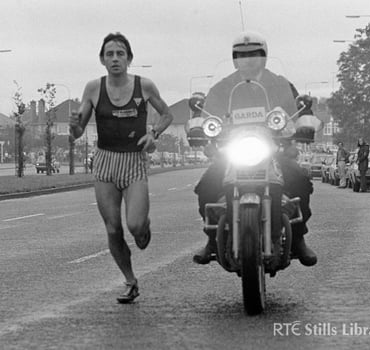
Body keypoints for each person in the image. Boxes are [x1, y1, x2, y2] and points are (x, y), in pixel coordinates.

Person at [192, 31, 317, 267]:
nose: (247, 60)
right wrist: (203, 135)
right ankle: (211, 238)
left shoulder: (280, 84)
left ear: (264, 57)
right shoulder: (222, 87)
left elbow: (300, 111)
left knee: (300, 180)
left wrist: (303, 129)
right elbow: (207, 116)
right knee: (206, 186)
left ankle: (299, 237)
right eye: (241, 55)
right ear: (234, 58)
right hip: (233, 150)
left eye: (254, 55)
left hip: (274, 150)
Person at [70, 32, 174, 303]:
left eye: (120, 54)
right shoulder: (93, 88)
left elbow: (167, 114)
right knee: (114, 228)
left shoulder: (145, 86)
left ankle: (144, 228)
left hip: (133, 161)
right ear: (102, 60)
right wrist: (74, 126)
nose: (115, 59)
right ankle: (130, 280)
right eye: (109, 54)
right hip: (105, 161)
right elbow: (78, 132)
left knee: (135, 225)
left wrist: (153, 133)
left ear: (129, 58)